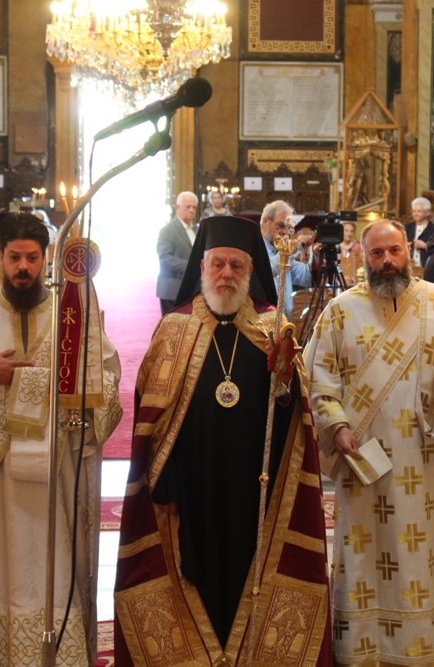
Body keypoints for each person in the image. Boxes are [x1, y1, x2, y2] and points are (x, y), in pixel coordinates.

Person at [114, 216, 331, 667]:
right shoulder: (174, 328)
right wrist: (164, 477)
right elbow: (152, 416)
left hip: (256, 485)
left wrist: (286, 378)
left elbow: (292, 414)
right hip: (190, 484)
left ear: (251, 272)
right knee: (194, 568)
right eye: (217, 264)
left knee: (249, 565)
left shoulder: (273, 327)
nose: (226, 274)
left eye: (236, 265)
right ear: (202, 268)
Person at [0, 213, 123, 667]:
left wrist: (74, 397)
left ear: (46, 259)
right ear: (0, 257)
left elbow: (107, 377)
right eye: (15, 258)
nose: (23, 268)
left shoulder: (73, 317)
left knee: (54, 563)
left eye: (32, 258)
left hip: (57, 467)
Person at [304, 219, 434, 667]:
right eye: (377, 253)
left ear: (408, 252)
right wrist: (338, 426)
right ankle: (365, 648)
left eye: (394, 250)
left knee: (427, 547)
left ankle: (432, 643)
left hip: (429, 457)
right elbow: (319, 378)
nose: (387, 261)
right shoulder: (340, 310)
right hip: (365, 455)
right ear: (362, 256)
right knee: (365, 550)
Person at [261, 200, 311, 319]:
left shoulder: (283, 252)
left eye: (289, 228)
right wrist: (293, 249)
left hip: (285, 321)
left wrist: (317, 255)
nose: (285, 232)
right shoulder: (254, 247)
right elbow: (266, 271)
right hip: (262, 322)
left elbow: (306, 278)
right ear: (266, 221)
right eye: (281, 226)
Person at [157, 191, 198, 314]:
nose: (191, 210)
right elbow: (164, 258)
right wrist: (191, 267)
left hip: (192, 291)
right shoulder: (168, 230)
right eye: (188, 207)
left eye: (194, 207)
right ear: (178, 207)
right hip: (172, 289)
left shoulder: (197, 230)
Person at [405, 196, 434, 268]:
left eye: (419, 211)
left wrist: (425, 246)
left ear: (427, 213)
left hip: (427, 267)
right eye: (414, 211)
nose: (415, 214)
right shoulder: (407, 227)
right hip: (409, 267)